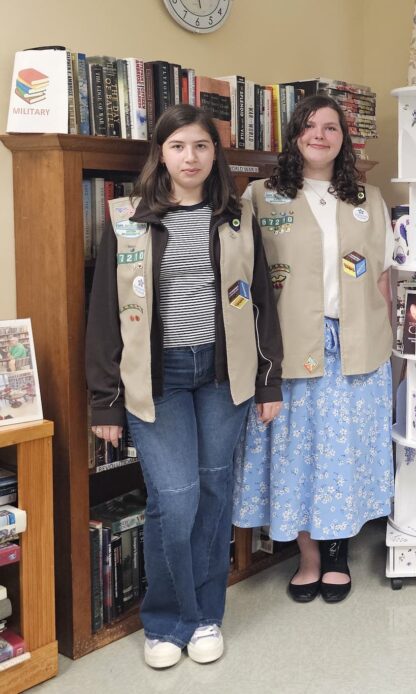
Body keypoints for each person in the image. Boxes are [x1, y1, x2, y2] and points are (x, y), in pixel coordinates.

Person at [85, 104, 283, 669]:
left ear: (214, 153)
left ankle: (206, 618)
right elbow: (103, 315)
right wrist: (105, 400)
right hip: (157, 381)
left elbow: (262, 302)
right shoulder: (127, 220)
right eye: (178, 147)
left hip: (224, 377)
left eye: (200, 145)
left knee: (215, 493)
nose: (190, 157)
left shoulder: (239, 216)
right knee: (175, 499)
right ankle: (168, 620)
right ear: (161, 154)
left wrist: (270, 383)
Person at [233, 95, 395, 605]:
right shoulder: (261, 197)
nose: (320, 136)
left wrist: (393, 348)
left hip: (358, 350)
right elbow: (244, 281)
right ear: (294, 135)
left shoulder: (369, 200)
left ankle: (339, 554)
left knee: (342, 455)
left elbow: (384, 282)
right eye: (309, 126)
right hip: (290, 348)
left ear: (344, 138)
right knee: (297, 455)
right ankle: (307, 557)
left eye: (330, 127)